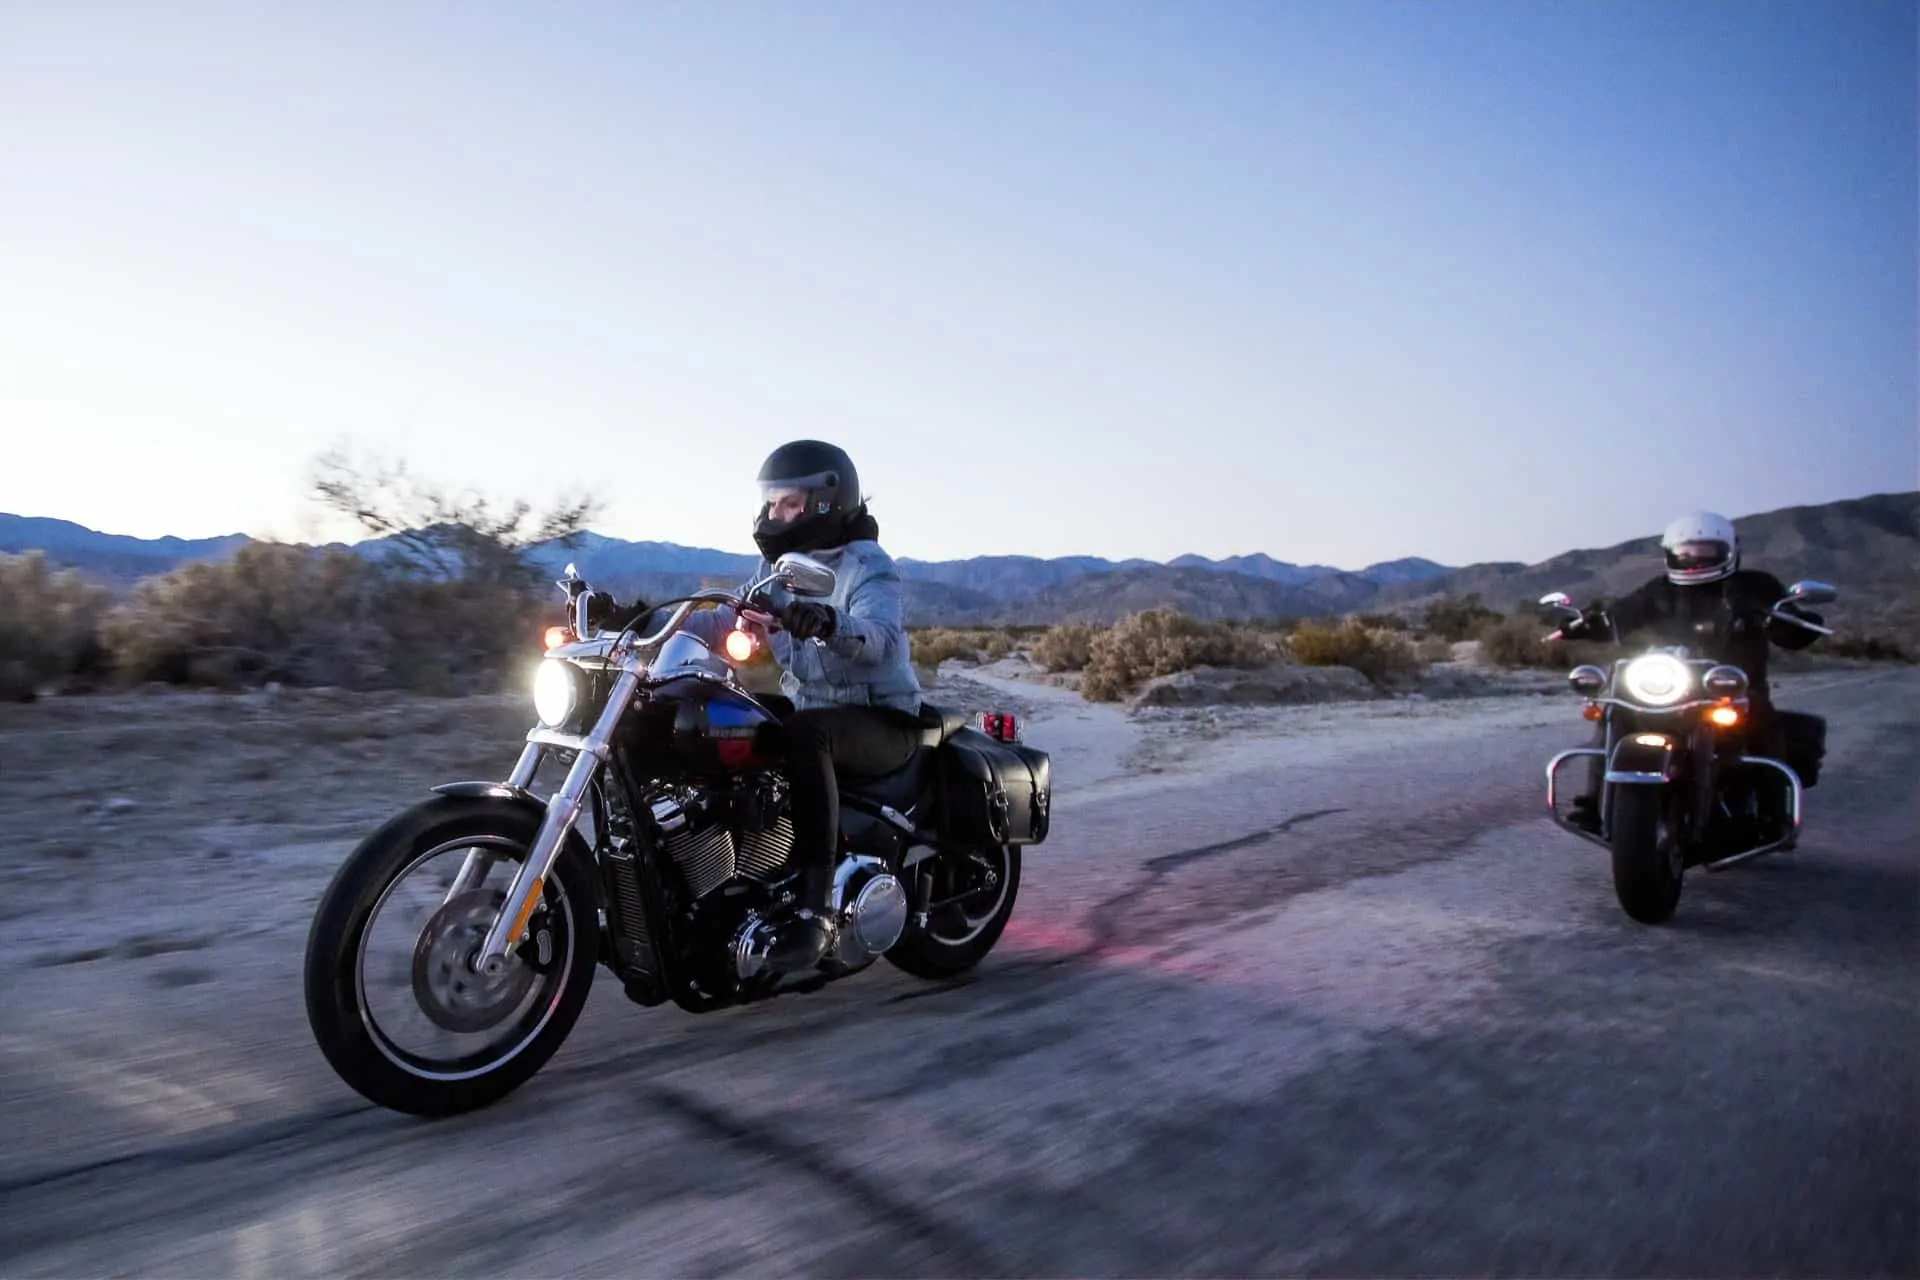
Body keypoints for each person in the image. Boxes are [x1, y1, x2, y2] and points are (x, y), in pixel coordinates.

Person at [590, 440, 924, 974]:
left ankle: (815, 913)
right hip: (813, 707)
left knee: (803, 736)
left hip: (883, 718)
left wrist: (828, 622)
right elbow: (717, 620)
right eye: (770, 503)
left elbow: (881, 638)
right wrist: (631, 617)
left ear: (824, 502)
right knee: (708, 715)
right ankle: (702, 884)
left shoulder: (868, 567)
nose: (775, 514)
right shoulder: (777, 569)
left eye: (788, 503)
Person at [1560, 510, 1826, 834]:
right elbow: (1621, 616)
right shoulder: (1659, 589)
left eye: (1706, 551)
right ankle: (1594, 802)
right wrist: (1586, 624)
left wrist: (1789, 621)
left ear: (1728, 551)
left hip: (1732, 686)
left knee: (1761, 721)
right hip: (1670, 682)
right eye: (1686, 552)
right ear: (1671, 553)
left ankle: (1774, 814)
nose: (1695, 559)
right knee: (1615, 709)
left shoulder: (1754, 585)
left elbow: (1792, 627)